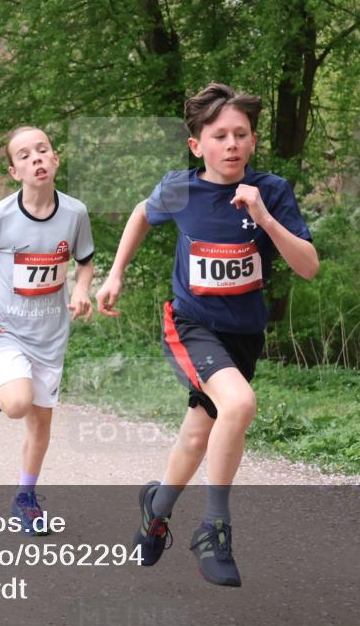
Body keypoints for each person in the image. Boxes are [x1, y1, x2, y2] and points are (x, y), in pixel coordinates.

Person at [95, 83, 319, 586]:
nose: (232, 144)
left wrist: (263, 217)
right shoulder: (181, 189)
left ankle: (156, 510)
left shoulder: (271, 191)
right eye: (220, 136)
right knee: (239, 405)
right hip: (191, 325)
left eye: (241, 134)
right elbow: (141, 213)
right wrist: (115, 274)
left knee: (200, 433)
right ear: (197, 145)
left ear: (253, 140)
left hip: (244, 334)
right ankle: (214, 530)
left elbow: (308, 267)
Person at [0, 126, 95, 535]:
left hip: (51, 336)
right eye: (24, 155)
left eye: (42, 150)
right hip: (6, 330)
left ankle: (26, 498)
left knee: (40, 425)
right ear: (14, 171)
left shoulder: (75, 213)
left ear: (55, 159)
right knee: (16, 405)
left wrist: (82, 291)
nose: (35, 158)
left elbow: (85, 261)